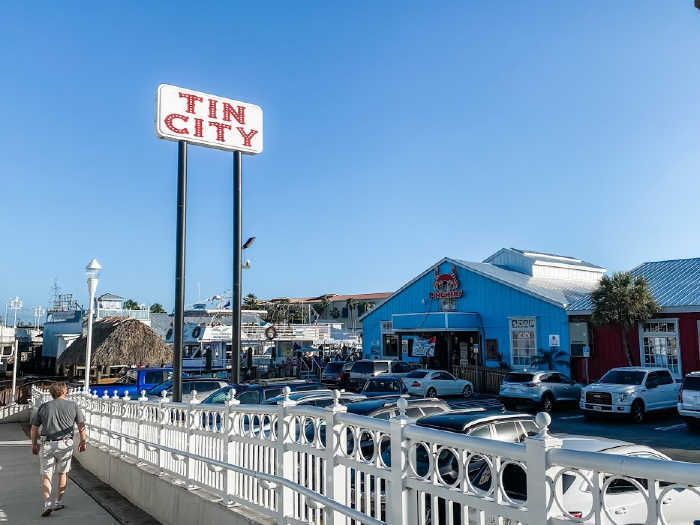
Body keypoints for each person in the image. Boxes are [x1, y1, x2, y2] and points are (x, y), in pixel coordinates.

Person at [30, 382, 87, 517]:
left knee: (46, 474)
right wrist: (83, 441)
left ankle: (47, 503)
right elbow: (81, 425)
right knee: (63, 473)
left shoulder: (43, 407)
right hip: (65, 444)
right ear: (64, 392)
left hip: (47, 444)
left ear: (52, 393)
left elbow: (34, 429)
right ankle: (58, 502)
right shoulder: (73, 406)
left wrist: (34, 444)